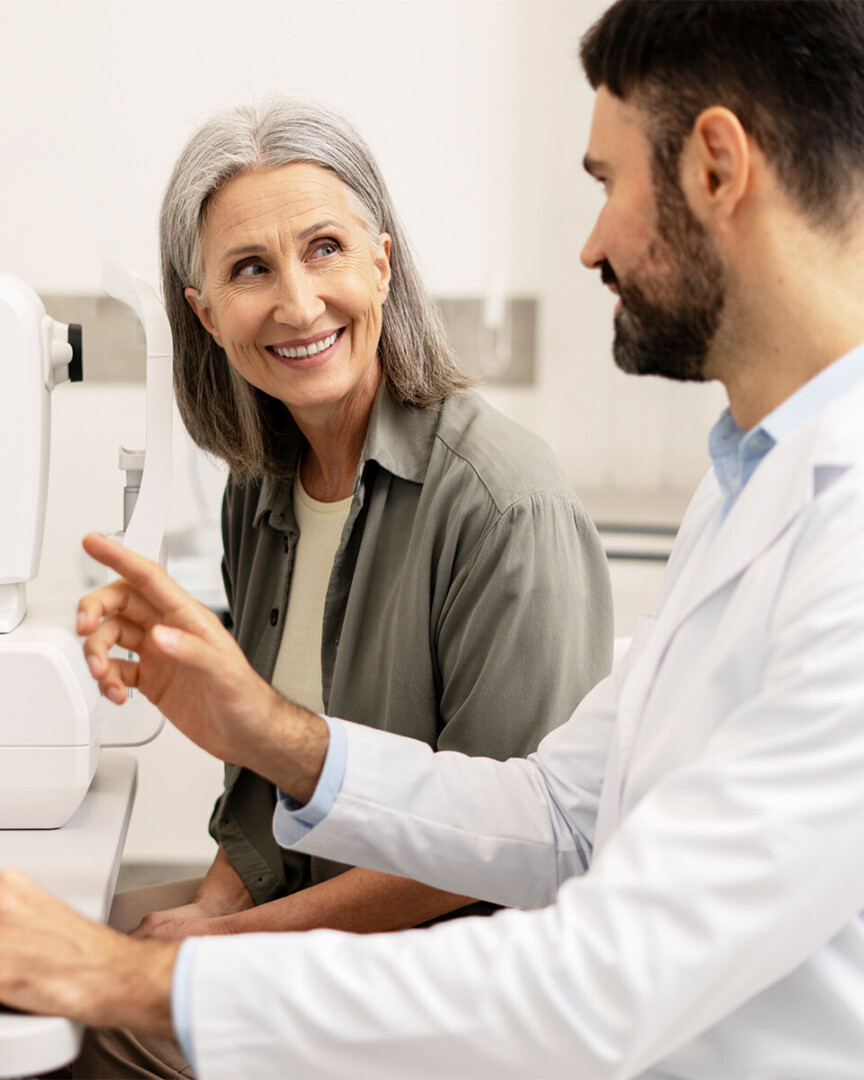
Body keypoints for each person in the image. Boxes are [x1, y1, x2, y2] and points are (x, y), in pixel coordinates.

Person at [3, 1, 864, 1077]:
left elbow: (607, 978)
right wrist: (272, 733)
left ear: (718, 169)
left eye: (607, 183)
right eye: (249, 269)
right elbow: (553, 816)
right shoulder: (748, 486)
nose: (590, 244)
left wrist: (137, 976)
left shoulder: (835, 539)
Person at [71, 98, 613, 1076]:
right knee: (54, 953)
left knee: (78, 1004)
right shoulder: (259, 488)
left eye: (325, 249)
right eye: (250, 268)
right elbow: (263, 778)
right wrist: (215, 907)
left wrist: (226, 947)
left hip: (452, 983)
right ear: (205, 313)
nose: (297, 302)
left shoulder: (504, 502)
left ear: (382, 265)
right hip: (315, 931)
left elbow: (502, 852)